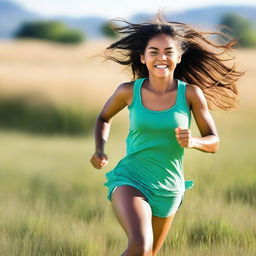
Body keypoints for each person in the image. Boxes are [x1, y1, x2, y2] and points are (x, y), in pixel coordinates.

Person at [90, 14, 244, 256]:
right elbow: (103, 118)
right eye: (154, 51)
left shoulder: (191, 94)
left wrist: (193, 141)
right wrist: (100, 149)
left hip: (169, 188)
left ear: (179, 57)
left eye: (168, 51)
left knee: (149, 254)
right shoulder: (128, 91)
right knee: (140, 246)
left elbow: (214, 141)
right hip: (131, 179)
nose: (161, 57)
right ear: (143, 56)